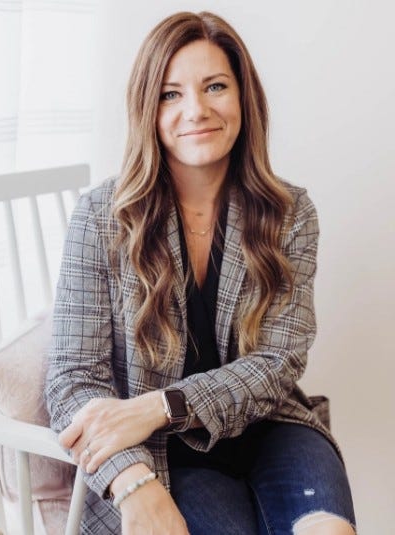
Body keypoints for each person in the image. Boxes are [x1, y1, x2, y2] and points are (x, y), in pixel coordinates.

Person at [45, 11, 356, 535]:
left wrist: (162, 405)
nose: (197, 110)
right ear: (148, 107)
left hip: (271, 426)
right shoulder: (101, 216)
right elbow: (73, 380)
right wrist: (133, 482)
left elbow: (280, 360)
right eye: (171, 94)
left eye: (215, 86)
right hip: (167, 458)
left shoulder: (290, 212)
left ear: (243, 97)